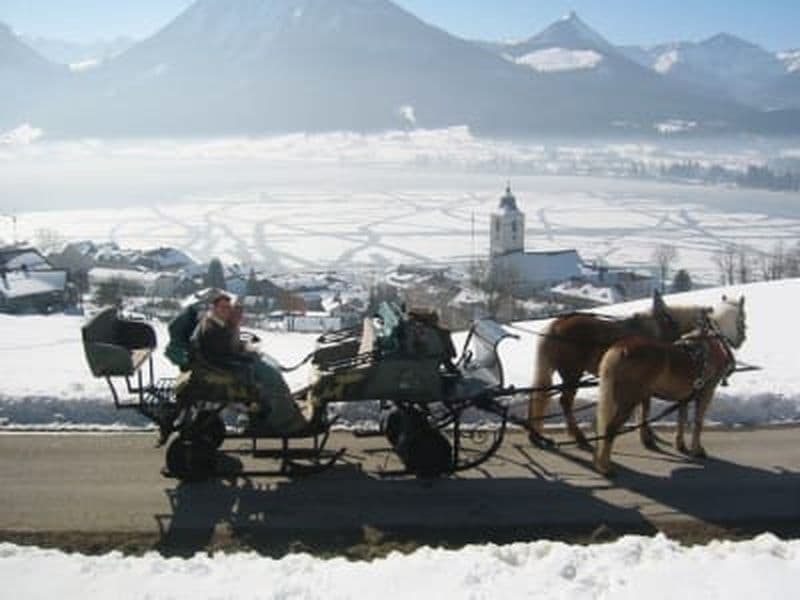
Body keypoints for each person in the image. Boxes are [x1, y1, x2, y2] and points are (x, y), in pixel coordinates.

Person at [193, 294, 309, 434]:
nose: (226, 311)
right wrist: (245, 356)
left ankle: (280, 413)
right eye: (223, 307)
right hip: (230, 367)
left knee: (271, 370)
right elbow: (223, 353)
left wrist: (244, 349)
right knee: (273, 378)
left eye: (228, 308)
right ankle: (283, 421)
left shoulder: (216, 323)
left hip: (230, 363)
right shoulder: (212, 328)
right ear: (214, 308)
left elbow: (227, 347)